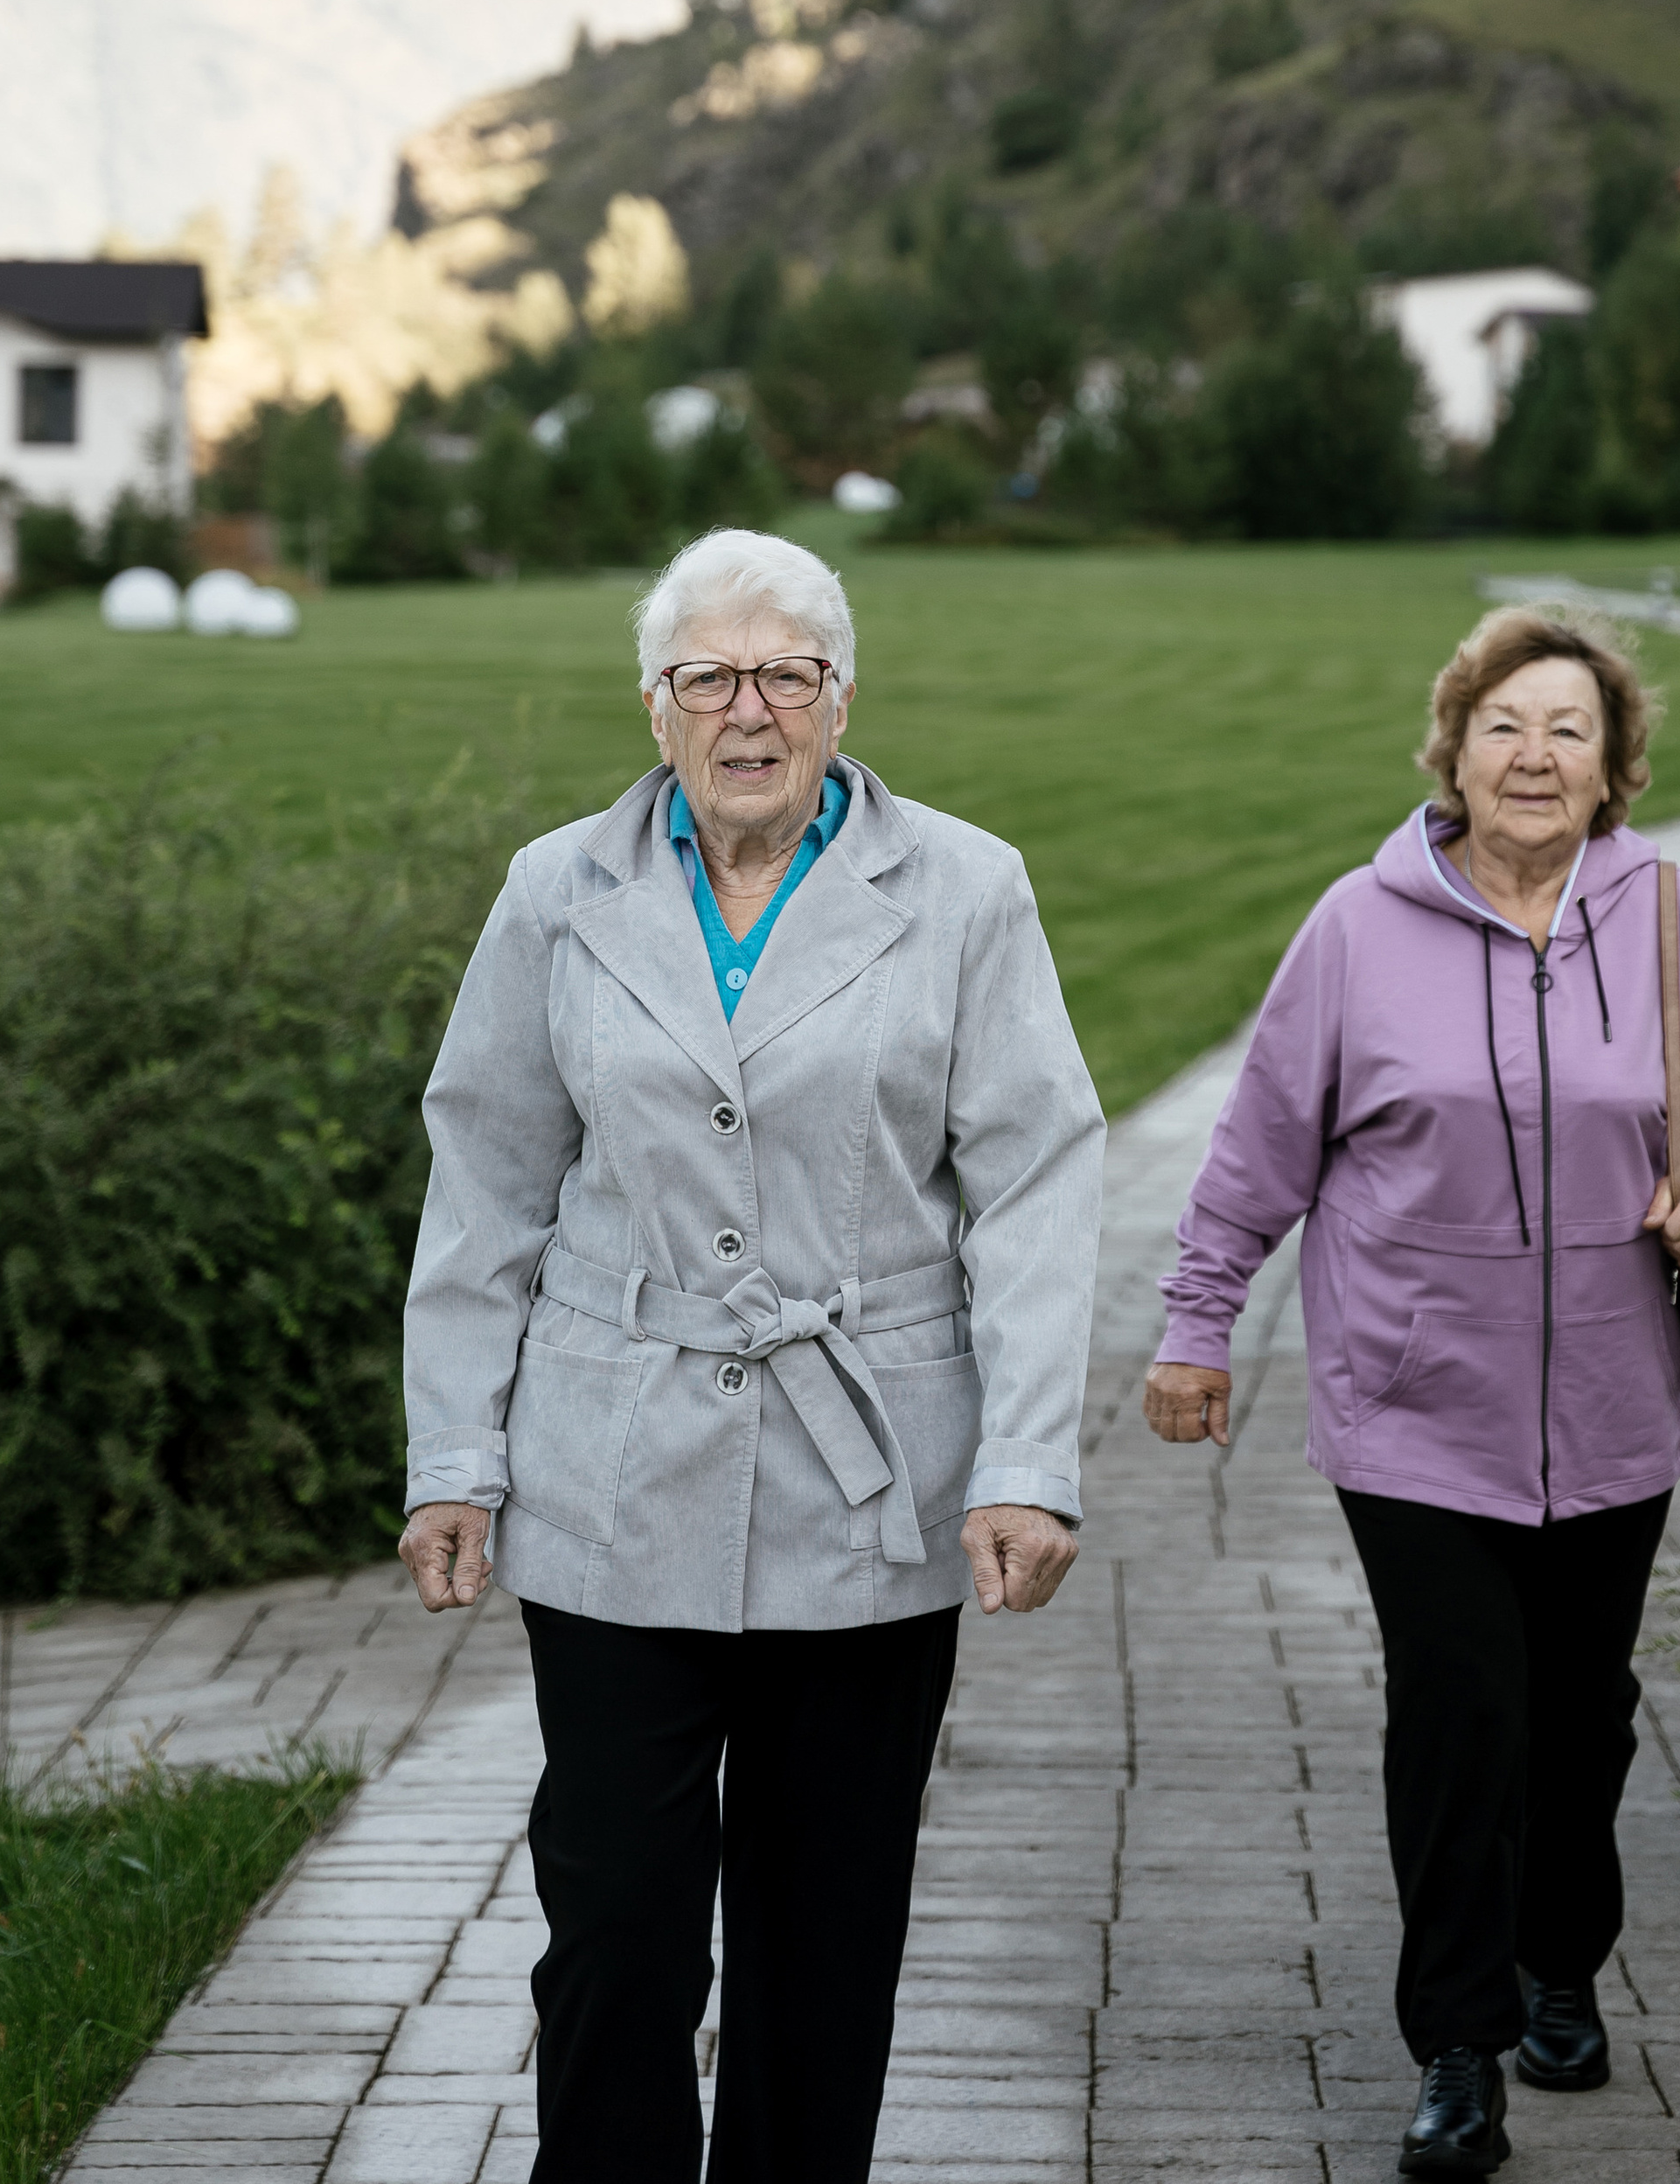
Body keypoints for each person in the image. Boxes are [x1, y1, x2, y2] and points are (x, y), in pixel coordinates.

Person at [399, 527, 1105, 2184]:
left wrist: (1025, 1463)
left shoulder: (965, 889)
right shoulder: (555, 892)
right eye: (706, 675)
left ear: (841, 697)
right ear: (653, 706)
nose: (748, 709)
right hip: (611, 1477)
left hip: (872, 1491)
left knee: (825, 1936)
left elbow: (1036, 1185)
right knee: (619, 1929)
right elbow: (487, 1176)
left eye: (785, 672)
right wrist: (455, 1458)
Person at [1144, 604, 1680, 2182]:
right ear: (1454, 749)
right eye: (1506, 724)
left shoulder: (1665, 916)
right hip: (1413, 1405)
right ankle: (1456, 2045)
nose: (1534, 754)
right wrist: (1195, 1323)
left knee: (1582, 1716)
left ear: (1615, 768)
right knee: (1463, 1713)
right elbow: (1261, 1147)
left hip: (1619, 1405)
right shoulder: (1359, 929)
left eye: (1570, 729)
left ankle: (1558, 1959)